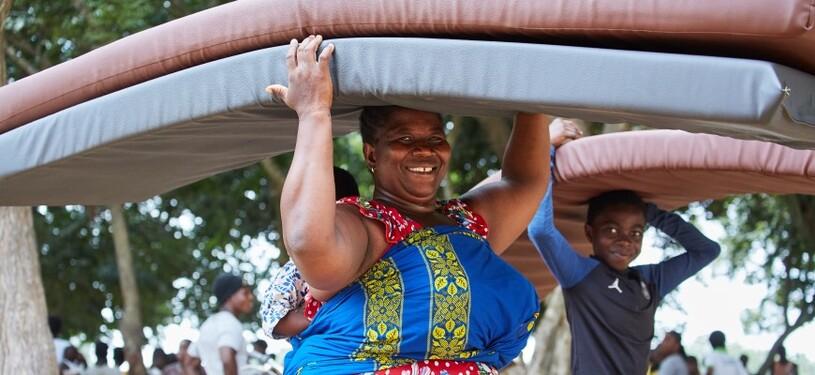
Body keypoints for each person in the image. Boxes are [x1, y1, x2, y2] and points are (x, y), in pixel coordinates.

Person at [266, 35, 551, 374]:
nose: (424, 150)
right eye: (404, 139)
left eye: (435, 138)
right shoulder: (365, 225)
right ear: (372, 153)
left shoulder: (467, 224)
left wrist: (535, 92)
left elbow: (525, 181)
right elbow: (308, 244)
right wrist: (313, 113)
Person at [526, 120, 721, 375]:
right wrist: (546, 147)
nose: (626, 241)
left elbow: (706, 251)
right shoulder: (580, 274)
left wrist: (651, 213)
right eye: (612, 230)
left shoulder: (651, 282)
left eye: (636, 232)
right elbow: (540, 229)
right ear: (589, 233)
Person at [260, 167, 359, 340]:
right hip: (328, 350)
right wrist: (327, 319)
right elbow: (273, 318)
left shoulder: (375, 251)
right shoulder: (299, 267)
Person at [189, 273, 254, 375]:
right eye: (245, 293)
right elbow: (227, 359)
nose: (250, 297)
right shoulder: (231, 323)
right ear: (230, 295)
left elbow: (190, 362)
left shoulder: (209, 323)